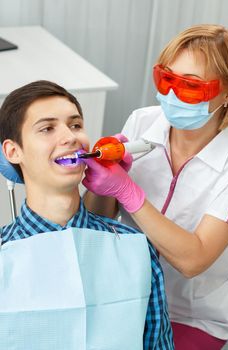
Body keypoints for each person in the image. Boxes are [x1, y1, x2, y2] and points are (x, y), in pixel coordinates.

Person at [83, 24, 228, 350]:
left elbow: (195, 260)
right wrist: (102, 183)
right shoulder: (142, 122)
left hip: (192, 315)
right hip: (125, 297)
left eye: (191, 87)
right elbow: (96, 221)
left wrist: (129, 194)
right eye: (166, 79)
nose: (173, 95)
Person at [0, 80, 174, 350]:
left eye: (76, 125)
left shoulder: (134, 248)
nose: (70, 137)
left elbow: (158, 344)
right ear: (13, 151)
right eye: (47, 128)